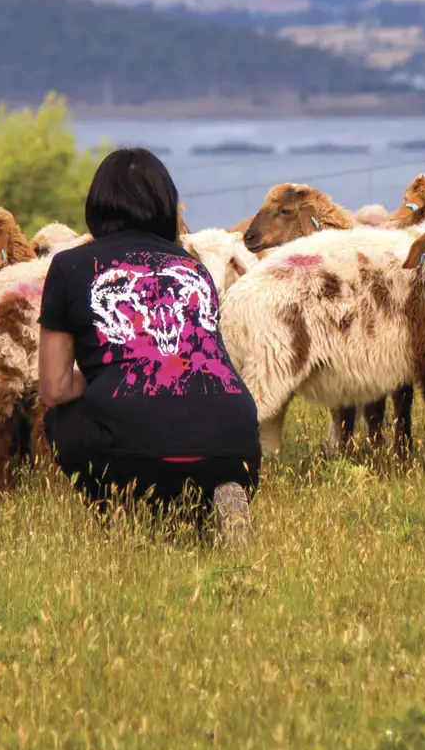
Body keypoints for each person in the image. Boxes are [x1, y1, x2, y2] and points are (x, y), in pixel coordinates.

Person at [38, 147, 259, 544]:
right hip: (235, 446)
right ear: (164, 203)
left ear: (98, 205)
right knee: (202, 454)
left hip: (132, 452)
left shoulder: (69, 267)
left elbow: (53, 388)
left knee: (59, 418)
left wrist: (112, 372)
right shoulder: (194, 269)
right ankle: (222, 493)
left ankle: (120, 512)